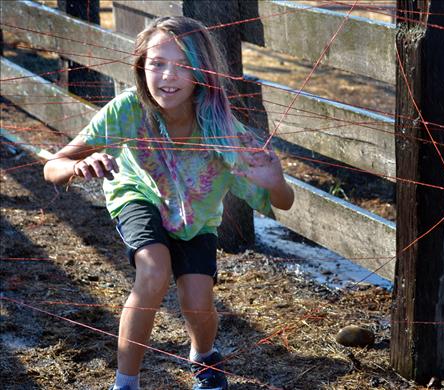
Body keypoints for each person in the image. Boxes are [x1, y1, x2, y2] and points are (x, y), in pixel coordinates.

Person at [44, 16, 294, 390]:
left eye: (183, 66)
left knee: (197, 301)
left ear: (202, 72)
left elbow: (284, 202)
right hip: (138, 193)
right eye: (157, 64)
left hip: (197, 219)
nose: (167, 76)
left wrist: (276, 182)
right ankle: (126, 382)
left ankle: (204, 356)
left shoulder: (224, 132)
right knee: (153, 270)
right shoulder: (128, 110)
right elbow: (52, 165)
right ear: (141, 66)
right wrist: (78, 166)